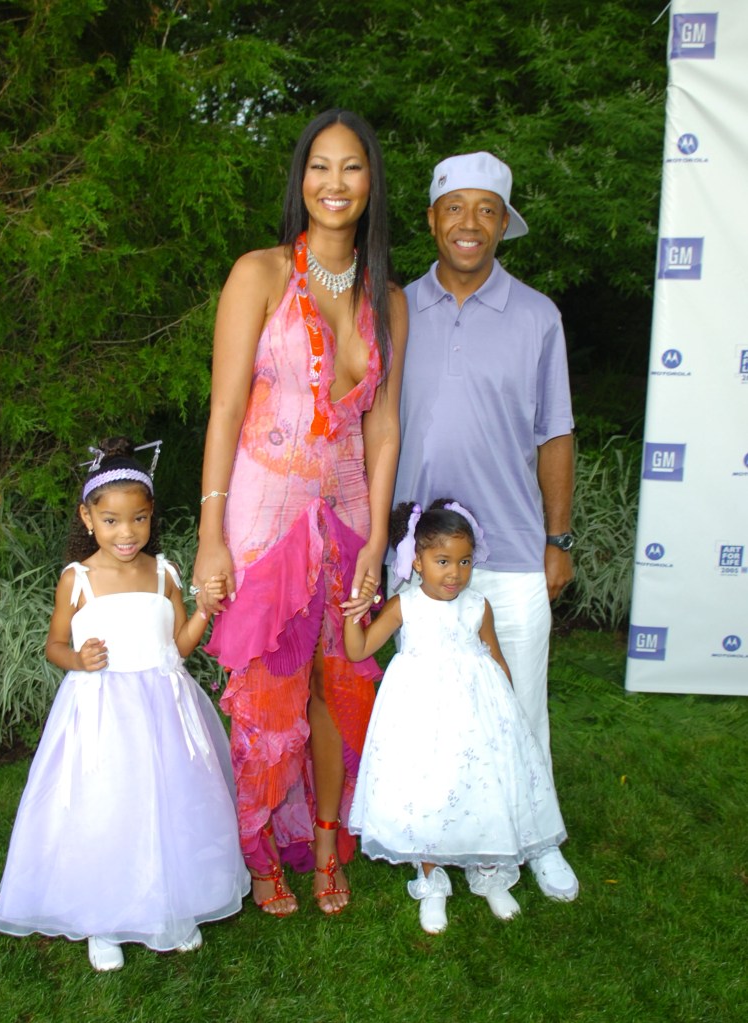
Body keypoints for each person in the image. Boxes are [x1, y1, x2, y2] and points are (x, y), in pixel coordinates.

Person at [192, 109, 407, 917]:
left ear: (372, 184)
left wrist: (379, 538)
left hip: (350, 513)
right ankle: (256, 851)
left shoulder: (387, 298)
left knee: (337, 682)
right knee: (269, 687)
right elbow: (222, 409)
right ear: (301, 178)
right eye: (321, 166)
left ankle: (323, 843)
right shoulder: (260, 274)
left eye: (352, 168)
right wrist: (212, 533)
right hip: (265, 514)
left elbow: (383, 425)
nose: (335, 183)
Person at [392, 151, 579, 901]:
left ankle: (538, 841)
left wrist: (557, 540)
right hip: (419, 561)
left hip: (508, 551)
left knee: (519, 705)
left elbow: (556, 434)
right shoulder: (398, 309)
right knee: (436, 718)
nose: (470, 223)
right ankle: (437, 841)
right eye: (455, 207)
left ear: (504, 224)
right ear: (433, 219)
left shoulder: (537, 316)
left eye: (487, 210)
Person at [0, 438, 249, 972]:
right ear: (88, 519)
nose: (126, 533)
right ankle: (101, 919)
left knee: (170, 803)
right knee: (106, 807)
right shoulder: (77, 580)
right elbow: (53, 645)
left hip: (163, 707)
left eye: (138, 519)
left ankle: (173, 907)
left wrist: (204, 612)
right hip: (104, 713)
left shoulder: (164, 574)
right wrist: (77, 658)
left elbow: (176, 647)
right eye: (111, 520)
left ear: (151, 517)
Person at [346, 500, 568, 932]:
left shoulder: (478, 605)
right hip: (421, 718)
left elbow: (497, 660)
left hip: (476, 716)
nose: (455, 573)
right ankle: (432, 879)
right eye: (443, 561)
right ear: (417, 560)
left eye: (464, 562)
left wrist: (507, 717)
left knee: (481, 784)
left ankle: (489, 872)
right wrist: (355, 615)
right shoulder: (403, 604)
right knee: (429, 789)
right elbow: (359, 650)